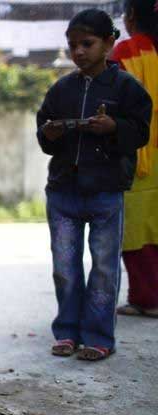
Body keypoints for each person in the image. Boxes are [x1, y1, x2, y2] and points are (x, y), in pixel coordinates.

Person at [37, 9, 152, 360]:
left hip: (106, 192)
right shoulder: (61, 89)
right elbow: (44, 134)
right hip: (63, 192)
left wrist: (114, 128)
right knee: (65, 267)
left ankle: (99, 337)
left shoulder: (128, 88)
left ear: (108, 43)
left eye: (87, 44)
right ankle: (67, 333)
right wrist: (50, 133)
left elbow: (141, 133)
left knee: (104, 269)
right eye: (73, 45)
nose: (79, 52)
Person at [110, 0, 158, 318]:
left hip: (141, 155)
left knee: (136, 228)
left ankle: (146, 297)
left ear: (129, 18)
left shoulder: (127, 52)